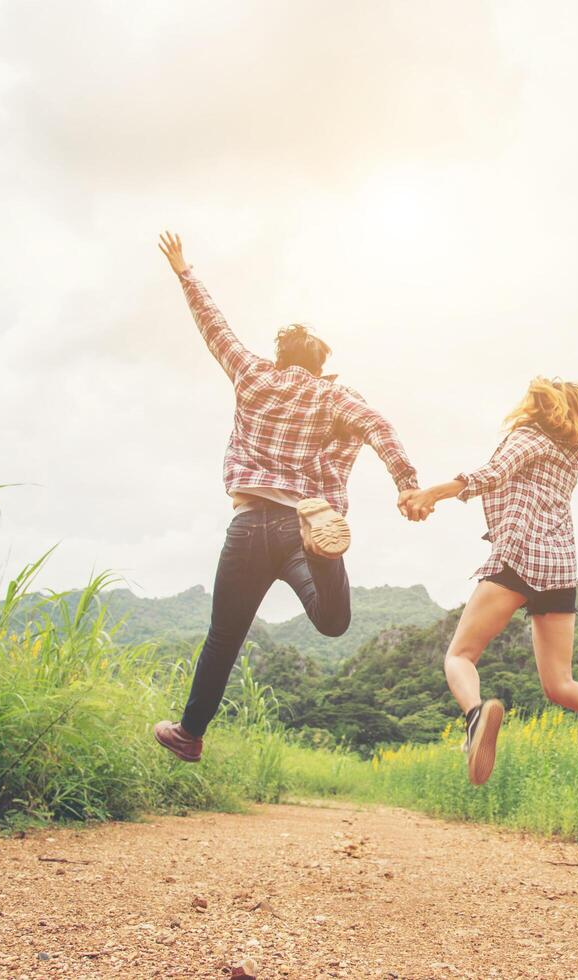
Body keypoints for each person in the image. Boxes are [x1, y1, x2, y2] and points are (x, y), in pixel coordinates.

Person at [152, 231, 422, 762]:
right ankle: (323, 551)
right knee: (332, 621)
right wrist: (407, 482)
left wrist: (186, 273)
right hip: (300, 526)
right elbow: (378, 427)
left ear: (280, 356)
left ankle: (189, 733)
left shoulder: (253, 374)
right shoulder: (335, 395)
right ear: (321, 364)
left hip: (250, 525)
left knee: (223, 636)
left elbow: (215, 328)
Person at [404, 346, 578, 797]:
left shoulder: (529, 437)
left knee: (460, 655)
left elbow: (491, 474)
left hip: (519, 556)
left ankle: (475, 717)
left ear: (539, 407)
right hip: (561, 567)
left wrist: (434, 492)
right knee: (560, 683)